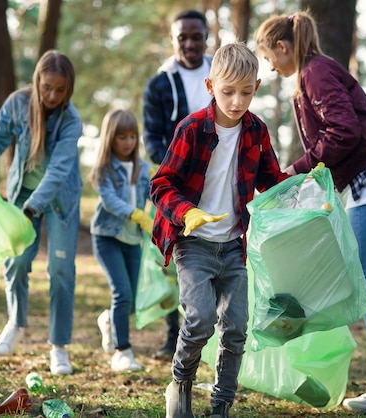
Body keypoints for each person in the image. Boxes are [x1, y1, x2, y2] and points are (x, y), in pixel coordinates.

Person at [255, 11, 366, 415]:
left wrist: (299, 168)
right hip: (365, 183)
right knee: (360, 283)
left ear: (282, 47)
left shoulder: (315, 73)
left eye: (269, 57)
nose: (270, 66)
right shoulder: (310, 76)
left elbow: (344, 132)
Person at [150, 42, 290, 418]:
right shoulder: (192, 129)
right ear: (211, 87)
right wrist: (187, 213)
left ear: (256, 87)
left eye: (246, 92)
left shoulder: (257, 131)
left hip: (232, 245)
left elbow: (271, 181)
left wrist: (300, 189)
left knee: (236, 327)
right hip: (193, 242)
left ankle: (221, 405)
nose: (237, 100)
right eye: (228, 91)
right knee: (198, 320)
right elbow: (161, 185)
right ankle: (180, 384)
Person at [0, 50, 82, 375]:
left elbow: (59, 170)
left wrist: (34, 207)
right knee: (16, 261)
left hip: (59, 200)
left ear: (68, 89)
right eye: (47, 87)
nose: (52, 96)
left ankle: (58, 346)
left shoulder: (71, 119)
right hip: (23, 196)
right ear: (37, 80)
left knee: (61, 270)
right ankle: (16, 323)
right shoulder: (18, 104)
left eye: (60, 90)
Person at [142, 9, 213, 360]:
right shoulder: (159, 84)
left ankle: (212, 340)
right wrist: (179, 165)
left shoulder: (221, 73)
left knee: (219, 257)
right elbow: (152, 139)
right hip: (176, 187)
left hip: (219, 185)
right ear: (172, 40)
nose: (189, 43)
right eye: (182, 37)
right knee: (173, 262)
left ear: (206, 37)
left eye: (195, 36)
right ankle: (175, 336)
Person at [90, 109, 153, 372]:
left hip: (132, 240)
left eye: (132, 137)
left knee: (134, 299)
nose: (128, 142)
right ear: (110, 139)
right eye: (121, 137)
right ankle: (122, 351)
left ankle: (108, 321)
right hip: (107, 237)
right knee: (122, 293)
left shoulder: (144, 168)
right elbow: (110, 201)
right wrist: (136, 214)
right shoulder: (104, 170)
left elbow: (156, 193)